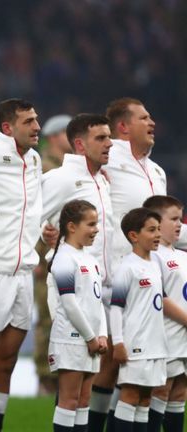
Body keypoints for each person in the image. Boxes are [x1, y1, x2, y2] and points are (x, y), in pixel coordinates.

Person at [87, 98, 169, 431]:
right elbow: (74, 180)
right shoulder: (108, 158)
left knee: (137, 367)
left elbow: (164, 228)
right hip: (114, 278)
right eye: (144, 117)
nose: (152, 122)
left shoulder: (157, 170)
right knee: (107, 363)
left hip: (151, 281)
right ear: (123, 126)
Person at [0, 99, 42, 432]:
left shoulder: (34, 159)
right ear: (7, 128)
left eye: (36, 120)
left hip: (24, 272)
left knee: (8, 359)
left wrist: (45, 230)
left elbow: (32, 208)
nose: (36, 127)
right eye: (29, 121)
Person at [47, 200, 108, 432]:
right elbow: (69, 304)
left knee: (84, 401)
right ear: (72, 227)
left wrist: (101, 335)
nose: (96, 229)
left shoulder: (90, 259)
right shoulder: (64, 258)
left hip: (90, 340)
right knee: (69, 401)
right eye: (91, 224)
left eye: (97, 223)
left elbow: (97, 300)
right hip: (71, 340)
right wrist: (91, 337)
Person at [109, 208, 166, 431]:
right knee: (131, 395)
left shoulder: (155, 263)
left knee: (145, 399)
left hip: (156, 343)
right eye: (152, 230)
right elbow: (116, 308)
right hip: (136, 343)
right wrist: (119, 343)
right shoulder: (127, 267)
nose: (158, 235)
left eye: (159, 229)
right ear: (134, 236)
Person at [34, 113, 72, 396]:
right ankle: (45, 379)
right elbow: (34, 213)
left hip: (62, 254)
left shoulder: (64, 166)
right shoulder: (42, 166)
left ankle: (58, 377)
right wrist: (37, 255)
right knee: (47, 317)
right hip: (43, 257)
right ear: (56, 136)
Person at [143, 196, 187, 431]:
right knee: (161, 389)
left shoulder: (182, 254)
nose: (179, 224)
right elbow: (160, 295)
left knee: (180, 393)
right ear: (157, 222)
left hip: (184, 336)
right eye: (174, 219)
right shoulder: (153, 254)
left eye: (180, 219)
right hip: (165, 334)